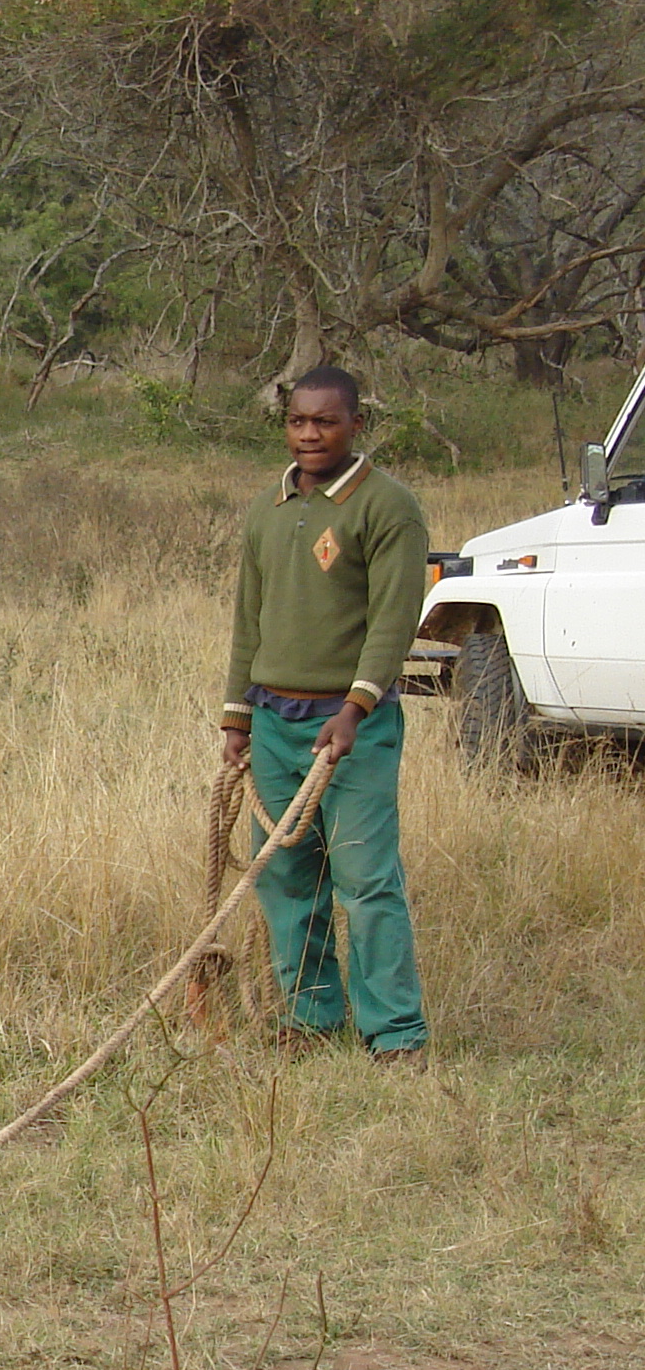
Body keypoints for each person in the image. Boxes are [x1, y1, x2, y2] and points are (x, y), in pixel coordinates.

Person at [220, 364, 430, 1065]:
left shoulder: (388, 507)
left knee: (366, 878)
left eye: (325, 421)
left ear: (356, 424)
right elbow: (248, 618)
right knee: (284, 876)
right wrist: (236, 717)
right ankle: (311, 1018)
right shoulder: (267, 508)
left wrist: (356, 706)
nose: (309, 434)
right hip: (274, 723)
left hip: (351, 727)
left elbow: (394, 621)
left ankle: (395, 1033)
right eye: (298, 421)